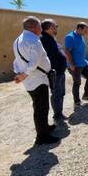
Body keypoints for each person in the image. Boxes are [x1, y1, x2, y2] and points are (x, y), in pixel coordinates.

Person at [13, 16, 60, 145]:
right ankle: (42, 136)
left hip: (31, 81)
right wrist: (24, 74)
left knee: (39, 106)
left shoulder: (17, 41)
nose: (41, 29)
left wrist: (19, 73)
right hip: (37, 79)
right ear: (34, 27)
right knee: (41, 108)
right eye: (40, 26)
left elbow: (17, 61)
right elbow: (33, 64)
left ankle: (44, 127)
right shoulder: (34, 40)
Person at [40, 19, 68, 121]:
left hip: (60, 72)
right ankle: (57, 115)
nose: (57, 28)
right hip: (54, 73)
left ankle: (59, 113)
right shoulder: (42, 39)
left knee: (61, 93)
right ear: (51, 27)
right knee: (56, 94)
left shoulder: (52, 38)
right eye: (56, 26)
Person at [64, 22, 88, 107]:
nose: (86, 33)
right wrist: (71, 64)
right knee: (77, 83)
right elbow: (67, 51)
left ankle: (86, 95)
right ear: (79, 29)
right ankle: (76, 102)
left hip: (83, 63)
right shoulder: (70, 37)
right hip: (75, 65)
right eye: (85, 30)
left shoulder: (81, 36)